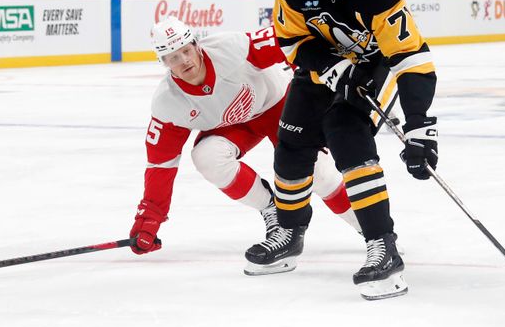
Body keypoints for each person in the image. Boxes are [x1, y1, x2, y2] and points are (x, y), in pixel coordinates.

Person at [272, 0, 437, 299]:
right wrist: (326, 64)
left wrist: (419, 125)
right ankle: (289, 232)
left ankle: (383, 245)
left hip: (372, 65)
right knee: (291, 140)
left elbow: (409, 55)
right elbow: (291, 41)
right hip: (322, 64)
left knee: (347, 131)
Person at [129, 17, 360, 275]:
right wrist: (149, 220)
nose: (184, 61)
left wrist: (337, 66)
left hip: (279, 107)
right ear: (163, 63)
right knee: (206, 157)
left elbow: (289, 43)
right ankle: (271, 209)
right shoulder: (168, 103)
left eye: (185, 50)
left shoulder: (230, 48)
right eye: (173, 57)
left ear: (196, 45)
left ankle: (369, 227)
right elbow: (161, 165)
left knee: (318, 174)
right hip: (235, 126)